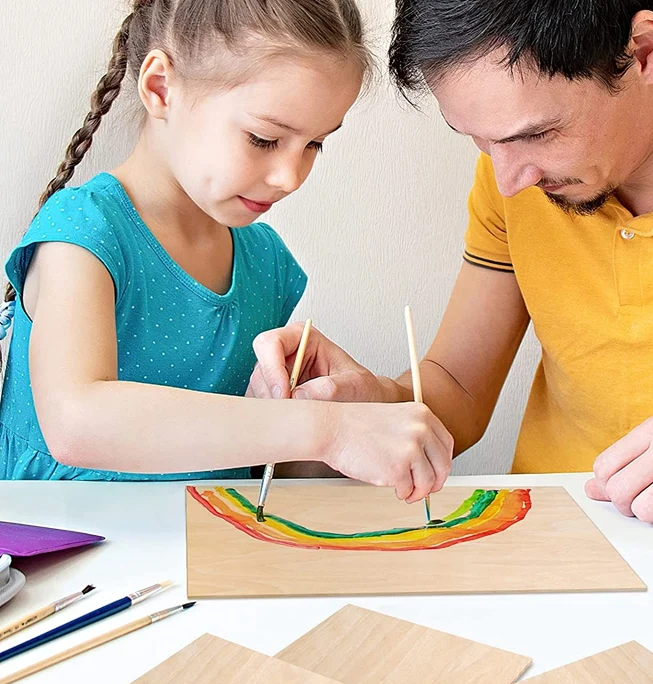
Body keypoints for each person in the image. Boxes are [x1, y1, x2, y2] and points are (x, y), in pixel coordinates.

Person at [252, 1, 653, 528]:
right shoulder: (516, 176)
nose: (512, 180)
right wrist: (375, 402)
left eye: (536, 134)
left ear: (641, 51)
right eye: (480, 141)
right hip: (552, 542)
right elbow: (458, 391)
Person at [0, 0, 453, 505]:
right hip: (64, 546)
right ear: (160, 88)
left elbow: (250, 459)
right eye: (264, 139)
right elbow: (76, 422)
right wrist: (324, 427)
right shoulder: (83, 233)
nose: (291, 177)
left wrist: (341, 429)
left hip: (207, 544)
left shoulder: (266, 262)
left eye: (314, 145)